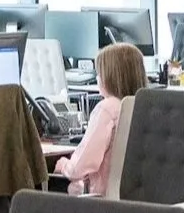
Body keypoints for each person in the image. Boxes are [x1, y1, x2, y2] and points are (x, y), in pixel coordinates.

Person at [53, 43, 146, 197]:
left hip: (102, 200)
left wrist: (63, 165)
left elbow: (79, 167)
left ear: (108, 77)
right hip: (134, 199)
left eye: (99, 73)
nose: (97, 78)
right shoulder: (143, 107)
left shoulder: (107, 108)